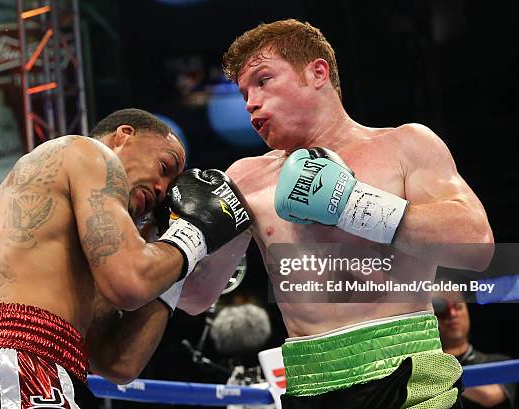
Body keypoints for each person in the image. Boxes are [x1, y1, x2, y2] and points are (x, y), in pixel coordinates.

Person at [178, 19, 495, 408]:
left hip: (410, 377)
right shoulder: (245, 178)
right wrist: (178, 232)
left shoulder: (406, 145)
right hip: (310, 388)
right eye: (243, 92)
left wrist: (353, 205)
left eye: (262, 81)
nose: (250, 103)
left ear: (317, 72)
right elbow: (196, 297)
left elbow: (477, 246)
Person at [0, 108, 252, 409]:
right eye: (164, 167)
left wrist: (169, 243)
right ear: (124, 135)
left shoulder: (69, 245)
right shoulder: (86, 153)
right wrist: (195, 233)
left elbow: (118, 361)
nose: (161, 187)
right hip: (16, 364)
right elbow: (131, 282)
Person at [437, 297, 516, 409]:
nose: (452, 314)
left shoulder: (499, 362)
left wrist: (439, 372)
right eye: (442, 310)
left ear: (467, 312)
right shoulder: (422, 368)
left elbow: (490, 396)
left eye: (458, 306)